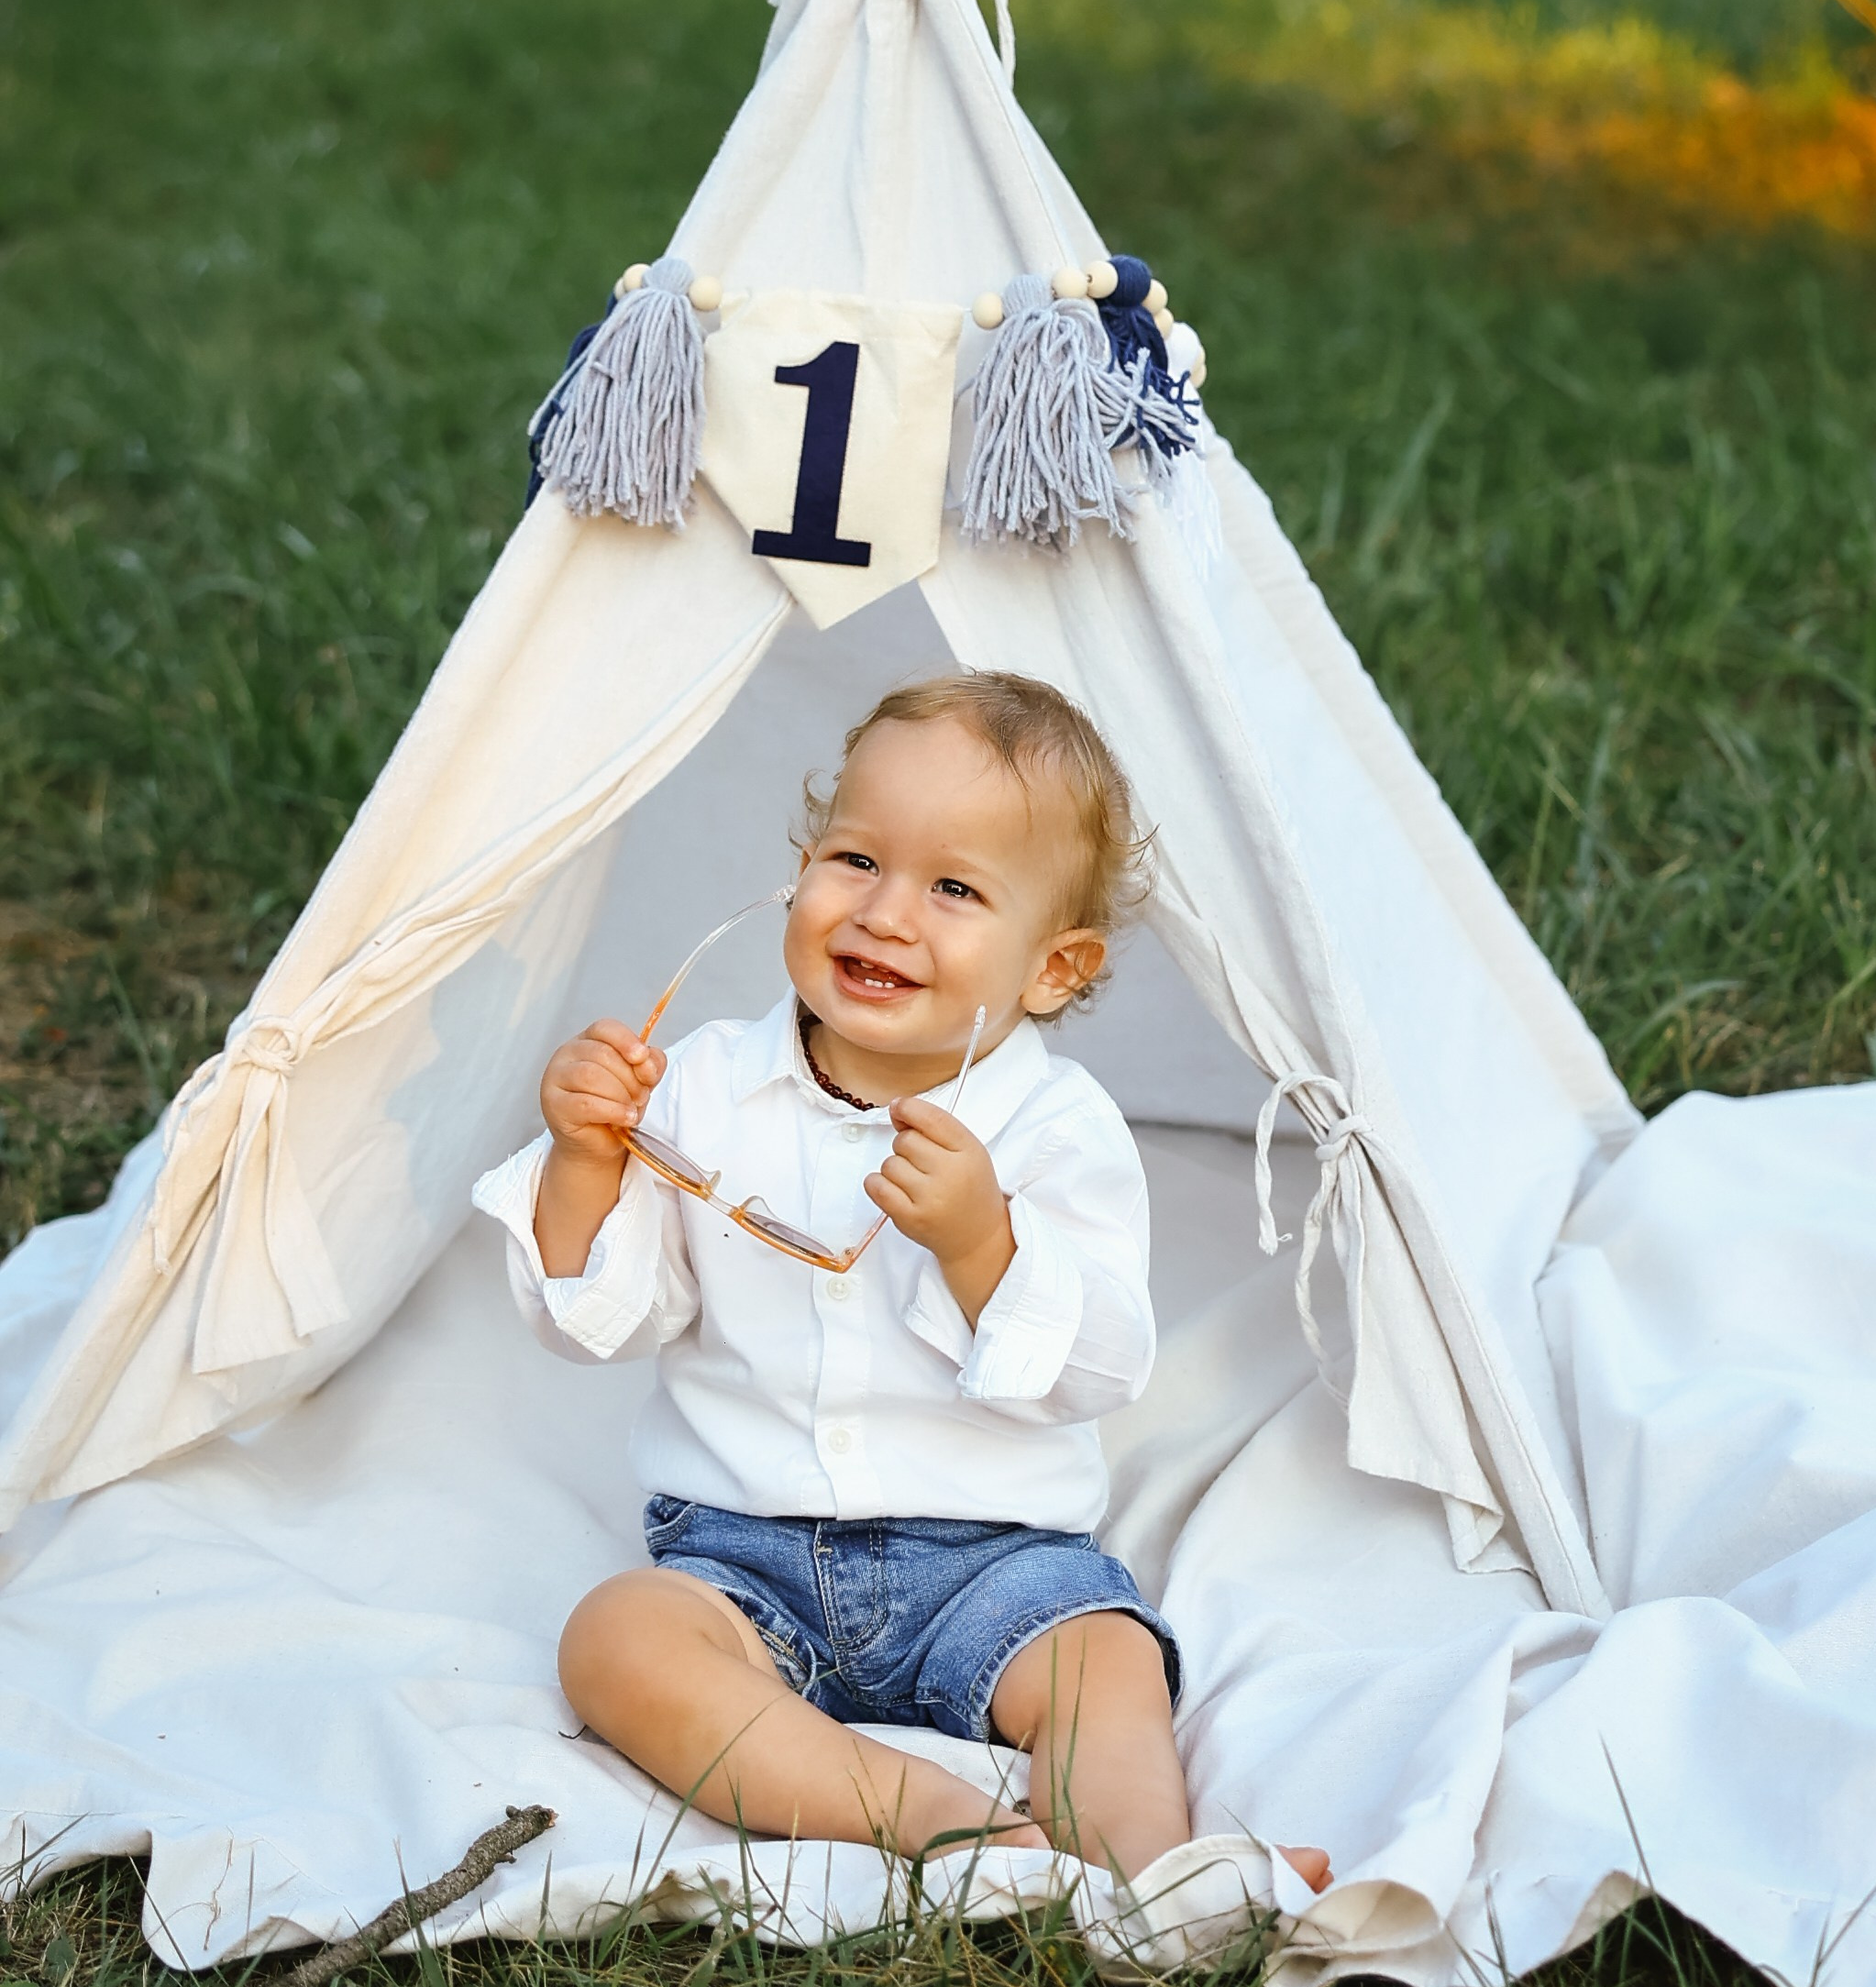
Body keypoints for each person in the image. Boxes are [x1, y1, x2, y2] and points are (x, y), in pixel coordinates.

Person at [475, 670, 1330, 1894]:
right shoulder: (704, 1087)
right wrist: (582, 1161)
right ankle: (918, 1813)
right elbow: (603, 1319)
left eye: (955, 889)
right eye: (856, 860)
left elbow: (1097, 1366)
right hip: (739, 1558)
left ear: (1052, 968)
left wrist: (983, 1243)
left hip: (994, 1565)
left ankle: (1159, 1875)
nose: (885, 914)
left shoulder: (1054, 1128)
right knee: (614, 1642)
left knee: (1107, 1663)